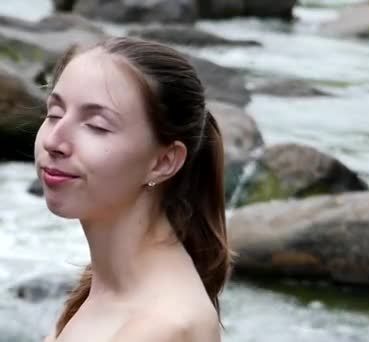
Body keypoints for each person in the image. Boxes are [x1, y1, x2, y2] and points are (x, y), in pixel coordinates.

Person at [34, 36, 232, 342]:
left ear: (163, 161)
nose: (53, 141)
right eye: (54, 114)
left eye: (97, 125)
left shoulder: (161, 327)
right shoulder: (106, 289)